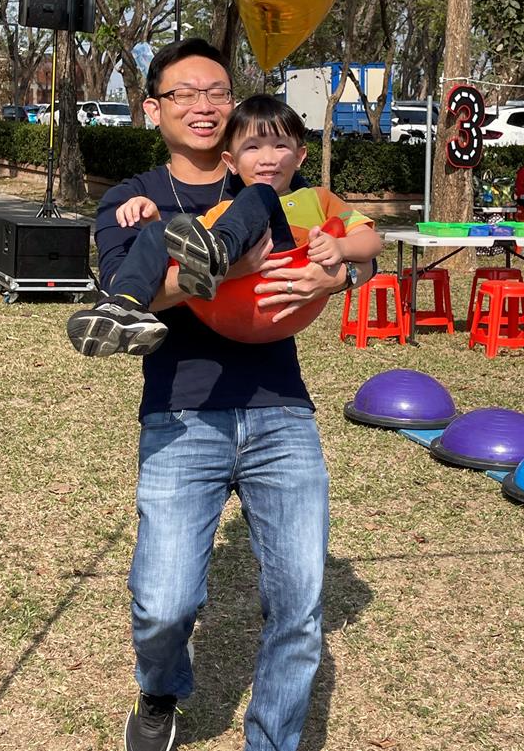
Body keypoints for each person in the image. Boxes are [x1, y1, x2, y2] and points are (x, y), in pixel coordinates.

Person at [91, 38, 376, 751]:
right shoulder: (130, 200)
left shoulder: (263, 173)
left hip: (280, 408)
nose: (203, 104)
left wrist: (338, 273)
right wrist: (218, 269)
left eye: (216, 91)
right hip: (181, 411)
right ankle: (160, 691)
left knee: (299, 606)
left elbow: (352, 244)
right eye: (183, 93)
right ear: (152, 108)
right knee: (163, 605)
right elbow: (131, 291)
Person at [67, 94, 382, 356]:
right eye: (253, 147)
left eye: (280, 146)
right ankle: (124, 307)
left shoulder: (318, 198)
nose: (268, 158)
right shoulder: (227, 211)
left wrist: (340, 247)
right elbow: (182, 242)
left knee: (261, 194)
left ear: (300, 156)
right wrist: (155, 223)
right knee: (161, 232)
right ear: (231, 162)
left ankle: (216, 256)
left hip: (283, 297)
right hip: (231, 311)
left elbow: (371, 242)